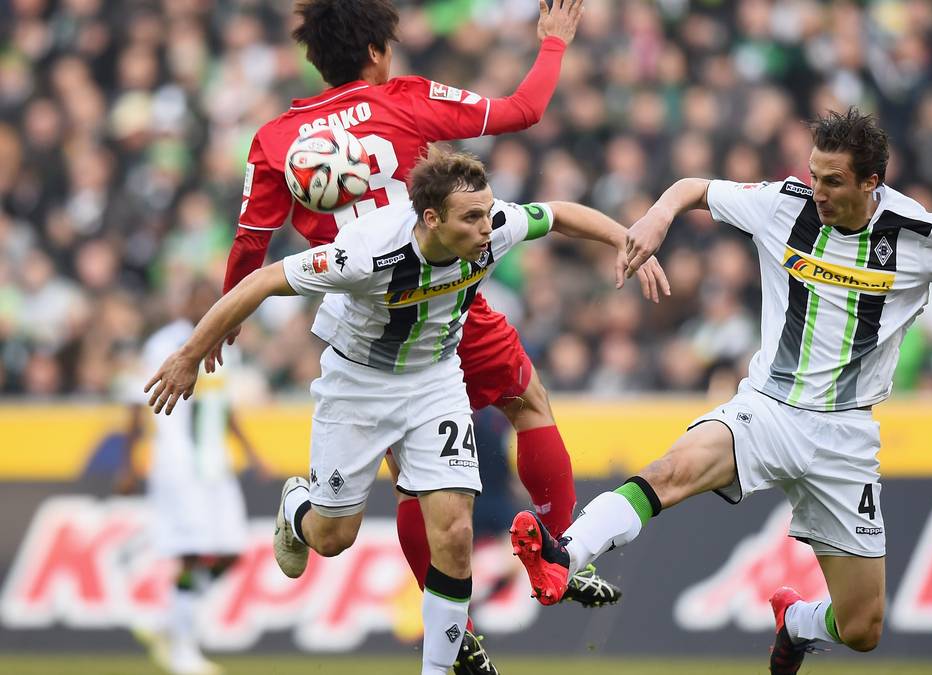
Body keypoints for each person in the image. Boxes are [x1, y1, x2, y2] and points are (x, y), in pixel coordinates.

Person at [508, 108, 932, 674]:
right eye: (813, 174)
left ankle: (797, 622)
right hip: (767, 407)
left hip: (846, 436)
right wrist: (657, 218)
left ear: (871, 183)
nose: (816, 190)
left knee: (862, 627)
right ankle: (565, 553)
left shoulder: (917, 234)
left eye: (831, 181)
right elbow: (693, 186)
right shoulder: (785, 203)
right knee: (671, 469)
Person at [147, 148, 669, 675]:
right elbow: (261, 281)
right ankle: (298, 507)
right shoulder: (366, 254)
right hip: (357, 387)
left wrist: (628, 240)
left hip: (434, 381)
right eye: (473, 217)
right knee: (333, 538)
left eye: (488, 213)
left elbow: (557, 213)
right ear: (431, 219)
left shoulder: (493, 227)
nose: (488, 226)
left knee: (455, 532)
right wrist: (190, 355)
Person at [215, 4, 625, 655]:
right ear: (378, 50)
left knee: (417, 472)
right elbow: (523, 110)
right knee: (527, 403)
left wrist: (224, 320)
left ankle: (451, 630)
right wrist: (551, 45)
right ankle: (556, 551)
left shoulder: (276, 139)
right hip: (446, 292)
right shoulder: (404, 100)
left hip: (365, 315)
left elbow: (250, 247)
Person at [118, 281, 265, 675]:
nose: (207, 306)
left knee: (230, 551)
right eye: (200, 299)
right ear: (184, 301)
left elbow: (222, 404)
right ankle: (183, 647)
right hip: (179, 461)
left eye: (213, 301)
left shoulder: (221, 344)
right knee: (193, 553)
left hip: (215, 463)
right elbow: (136, 399)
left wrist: (250, 451)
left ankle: (166, 622)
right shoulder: (164, 342)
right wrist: (130, 461)